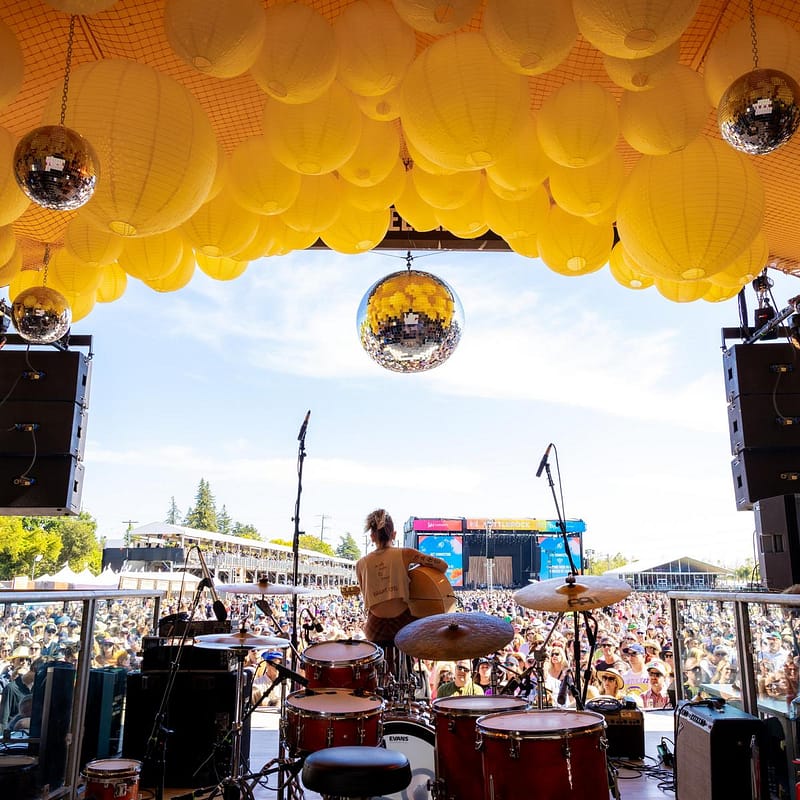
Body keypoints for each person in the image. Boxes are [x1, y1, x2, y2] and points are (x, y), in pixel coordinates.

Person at [355, 509, 448, 648]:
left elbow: (366, 597)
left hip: (374, 627)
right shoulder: (405, 553)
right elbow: (443, 566)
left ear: (372, 536)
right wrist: (412, 574)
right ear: (394, 534)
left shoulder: (360, 564)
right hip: (403, 623)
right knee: (408, 655)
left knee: (379, 659)